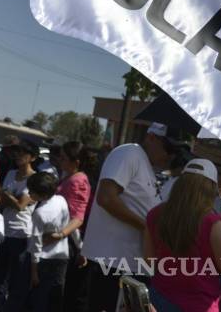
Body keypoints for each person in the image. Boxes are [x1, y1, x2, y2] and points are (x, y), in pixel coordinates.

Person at [81, 122, 189, 312]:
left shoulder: (146, 165)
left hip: (129, 267)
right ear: (151, 137)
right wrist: (146, 226)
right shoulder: (129, 153)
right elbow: (106, 197)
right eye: (170, 148)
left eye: (176, 151)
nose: (171, 155)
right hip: (113, 265)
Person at [143, 159, 221, 312]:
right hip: (197, 306)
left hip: (158, 301)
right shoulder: (212, 224)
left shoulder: (155, 214)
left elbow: (149, 261)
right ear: (212, 189)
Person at [54, 142, 99, 312]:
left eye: (64, 158)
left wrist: (80, 248)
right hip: (66, 240)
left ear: (76, 162)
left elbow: (76, 218)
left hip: (69, 242)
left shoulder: (78, 181)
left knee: (66, 294)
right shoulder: (70, 177)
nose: (60, 160)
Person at [0, 141, 36, 310]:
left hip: (21, 234)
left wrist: (6, 195)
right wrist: (8, 197)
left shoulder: (34, 179)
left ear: (33, 157)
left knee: (16, 280)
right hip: (2, 231)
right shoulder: (11, 174)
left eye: (23, 152)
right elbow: (1, 201)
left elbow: (21, 205)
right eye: (17, 151)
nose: (18, 155)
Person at [25, 172, 69, 312]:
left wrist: (34, 272)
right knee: (56, 298)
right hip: (62, 256)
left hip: (43, 260)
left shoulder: (40, 212)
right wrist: (79, 246)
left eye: (31, 191)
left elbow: (36, 244)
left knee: (40, 299)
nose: (29, 193)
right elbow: (69, 224)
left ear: (42, 194)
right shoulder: (61, 200)